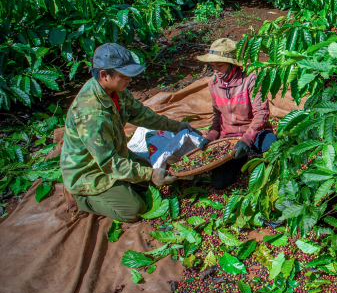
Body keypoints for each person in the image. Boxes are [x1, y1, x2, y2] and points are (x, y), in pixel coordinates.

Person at [60, 44, 199, 222]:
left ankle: (124, 185)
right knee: (134, 210)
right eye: (124, 76)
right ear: (104, 75)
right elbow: (109, 163)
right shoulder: (92, 114)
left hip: (114, 155)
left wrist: (176, 126)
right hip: (90, 172)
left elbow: (142, 115)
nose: (129, 80)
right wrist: (150, 175)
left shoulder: (115, 91)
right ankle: (80, 198)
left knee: (157, 173)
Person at [197, 38, 276, 190]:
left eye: (220, 65)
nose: (216, 70)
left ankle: (254, 154)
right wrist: (210, 137)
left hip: (255, 132)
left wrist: (247, 139)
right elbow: (217, 116)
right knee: (219, 183)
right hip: (230, 137)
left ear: (233, 64)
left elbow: (262, 113)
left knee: (272, 145)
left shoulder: (250, 79)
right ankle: (240, 159)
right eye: (213, 66)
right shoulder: (213, 84)